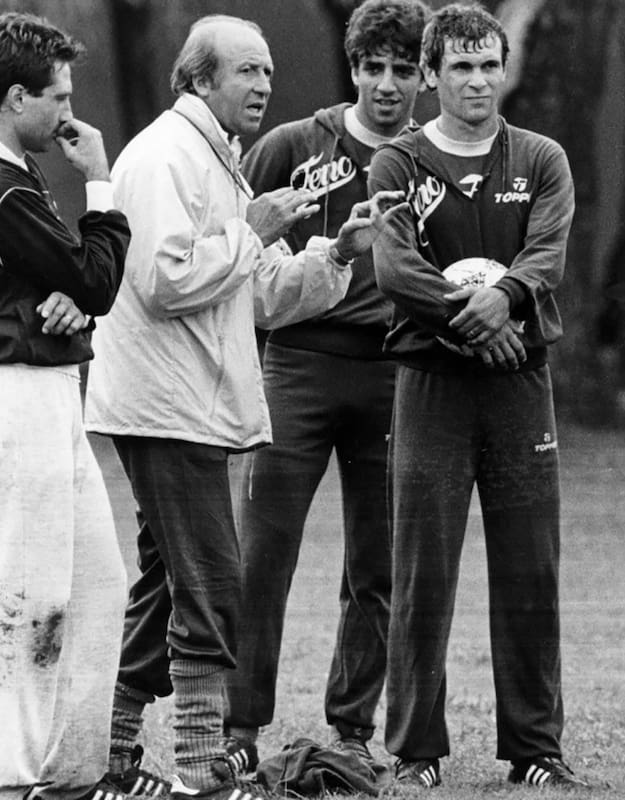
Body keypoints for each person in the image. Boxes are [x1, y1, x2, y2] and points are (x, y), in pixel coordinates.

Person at [82, 15, 405, 800]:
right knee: (215, 588)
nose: (264, 85)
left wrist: (335, 256)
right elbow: (163, 280)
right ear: (199, 79)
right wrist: (250, 231)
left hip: (194, 403)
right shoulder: (166, 156)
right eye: (245, 73)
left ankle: (115, 758)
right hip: (166, 405)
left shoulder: (216, 156)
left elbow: (256, 293)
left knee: (167, 587)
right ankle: (201, 773)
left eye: (266, 72)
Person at [367, 2, 587, 790]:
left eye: (489, 64)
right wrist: (476, 324)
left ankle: (535, 749)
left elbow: (548, 251)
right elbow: (395, 267)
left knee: (531, 566)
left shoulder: (541, 158)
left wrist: (510, 298)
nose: (477, 81)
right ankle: (416, 751)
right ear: (430, 75)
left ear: (505, 67)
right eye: (459, 67)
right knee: (423, 566)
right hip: (433, 383)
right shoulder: (398, 163)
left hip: (520, 386)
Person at [223, 0, 429, 779]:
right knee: (262, 552)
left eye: (402, 70)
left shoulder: (431, 159)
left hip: (393, 373)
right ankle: (240, 726)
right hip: (298, 366)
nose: (385, 84)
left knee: (376, 563)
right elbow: (234, 241)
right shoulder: (292, 145)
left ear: (424, 78)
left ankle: (351, 727)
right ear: (353, 68)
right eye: (372, 68)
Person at [0, 12, 133, 800]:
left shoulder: (2, 175)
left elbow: (73, 290)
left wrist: (69, 301)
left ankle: (67, 774)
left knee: (95, 585)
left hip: (38, 389)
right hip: (14, 398)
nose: (70, 114)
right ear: (16, 98)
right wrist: (101, 181)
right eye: (59, 96)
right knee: (24, 595)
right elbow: (98, 279)